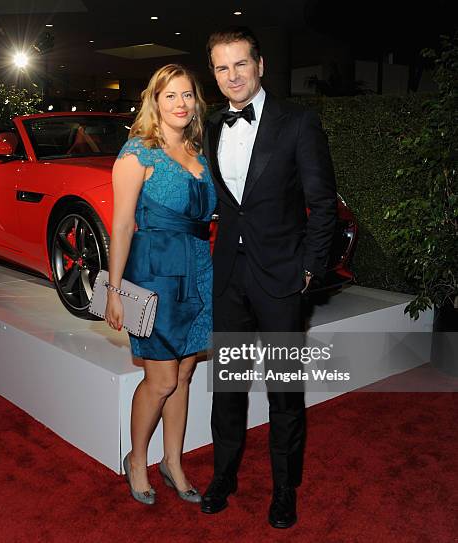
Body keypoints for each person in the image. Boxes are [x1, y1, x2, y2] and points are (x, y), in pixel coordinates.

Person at [201, 27, 337, 528]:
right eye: (221, 67)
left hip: (282, 280)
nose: (232, 75)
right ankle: (224, 476)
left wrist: (309, 270)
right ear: (214, 75)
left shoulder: (299, 123)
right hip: (230, 279)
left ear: (260, 65)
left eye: (240, 64)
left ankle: (285, 490)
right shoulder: (213, 127)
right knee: (229, 388)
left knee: (283, 393)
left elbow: (323, 205)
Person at [105, 64, 216, 505]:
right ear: (155, 101)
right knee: (161, 379)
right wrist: (114, 290)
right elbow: (121, 225)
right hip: (153, 273)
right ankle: (137, 459)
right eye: (170, 96)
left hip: (198, 269)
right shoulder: (137, 154)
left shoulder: (198, 156)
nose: (181, 104)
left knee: (185, 373)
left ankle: (173, 461)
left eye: (187, 95)